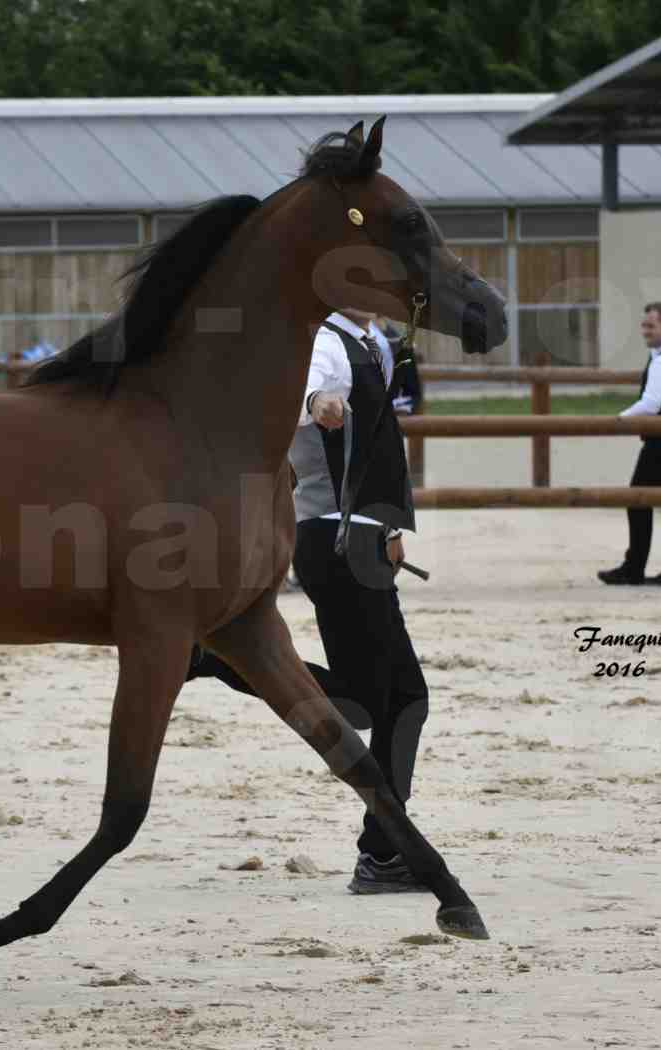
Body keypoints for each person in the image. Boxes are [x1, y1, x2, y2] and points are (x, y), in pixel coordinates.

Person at [190, 306, 431, 895]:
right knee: (400, 701)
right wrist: (315, 404)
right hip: (335, 537)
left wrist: (391, 531)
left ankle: (220, 659)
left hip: (361, 538)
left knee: (382, 703)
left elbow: (375, 446)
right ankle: (383, 854)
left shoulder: (372, 339)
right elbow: (297, 392)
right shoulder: (323, 341)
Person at [598, 302, 661, 586]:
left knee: (638, 499)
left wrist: (618, 420)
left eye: (650, 326)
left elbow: (651, 405)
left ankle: (636, 567)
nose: (644, 331)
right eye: (644, 325)